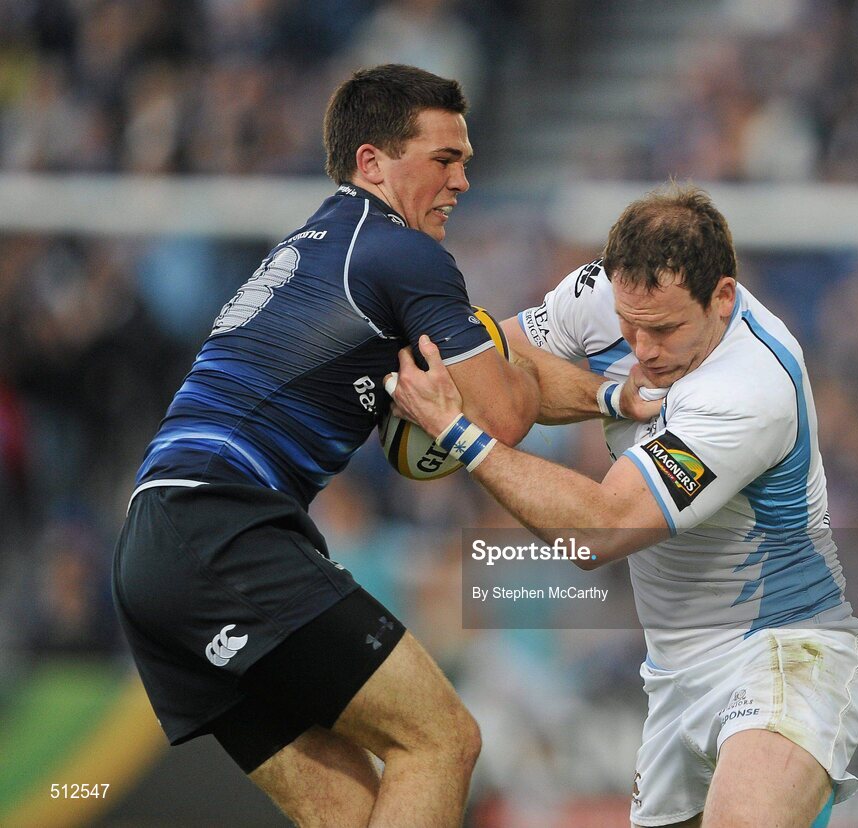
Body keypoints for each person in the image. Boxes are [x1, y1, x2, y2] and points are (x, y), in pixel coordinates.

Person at [111, 64, 540, 826]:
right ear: (372, 162)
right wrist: (573, 366)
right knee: (442, 741)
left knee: (351, 813)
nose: (463, 181)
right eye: (444, 159)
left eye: (466, 160)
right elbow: (502, 414)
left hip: (152, 549)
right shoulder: (399, 253)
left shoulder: (318, 245)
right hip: (224, 529)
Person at [388, 184, 858, 828]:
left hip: (783, 650)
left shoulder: (750, 388)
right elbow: (502, 368)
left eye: (665, 329)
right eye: (628, 327)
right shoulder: (607, 294)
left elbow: (601, 530)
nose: (641, 349)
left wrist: (459, 433)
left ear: (722, 297)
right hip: (673, 670)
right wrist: (610, 397)